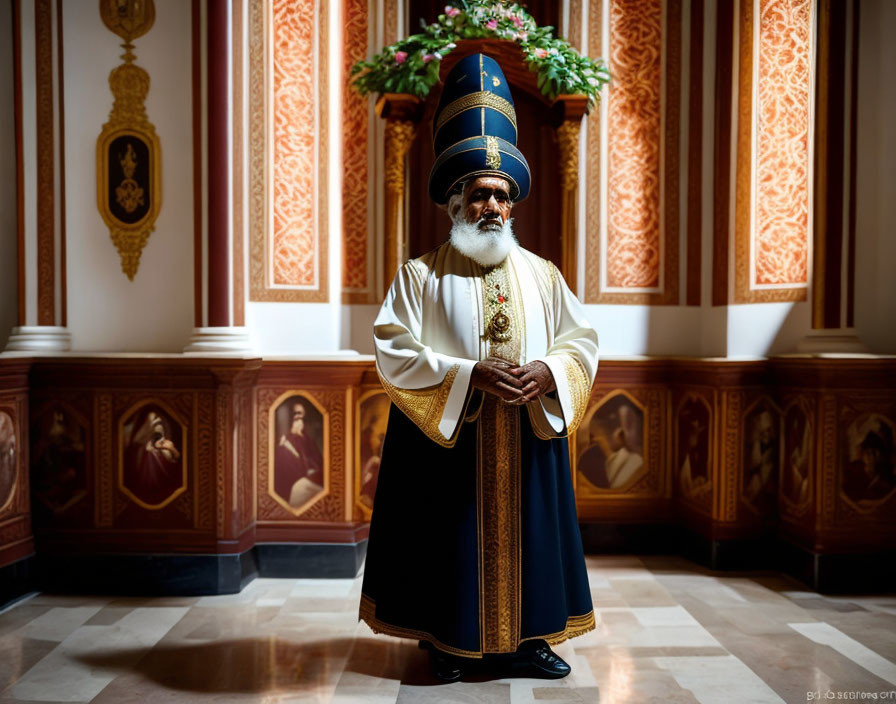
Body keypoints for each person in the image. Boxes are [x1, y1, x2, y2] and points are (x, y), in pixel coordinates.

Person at [359, 54, 598, 682]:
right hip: (451, 442)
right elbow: (392, 347)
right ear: (455, 201)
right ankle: (447, 640)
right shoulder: (420, 274)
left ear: (512, 206)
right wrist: (467, 376)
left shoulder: (544, 275)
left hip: (527, 435)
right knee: (447, 538)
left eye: (501, 196)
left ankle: (531, 640)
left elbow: (583, 342)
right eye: (478, 194)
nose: (491, 206)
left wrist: (549, 372)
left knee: (533, 540)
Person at [274, 401, 323, 507]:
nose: (300, 421)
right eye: (296, 417)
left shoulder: (306, 439)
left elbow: (317, 464)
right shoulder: (282, 448)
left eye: (302, 417)